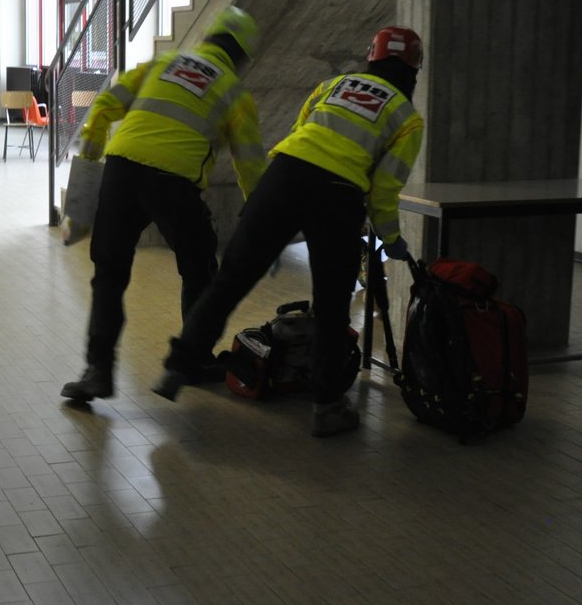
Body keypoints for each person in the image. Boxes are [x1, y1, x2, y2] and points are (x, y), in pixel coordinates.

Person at [153, 26, 427, 437]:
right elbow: (385, 189)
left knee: (231, 279)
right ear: (413, 70)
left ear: (371, 58)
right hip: (339, 195)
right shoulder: (407, 118)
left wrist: (273, 215)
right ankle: (327, 405)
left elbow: (301, 131)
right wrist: (391, 238)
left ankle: (179, 366)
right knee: (333, 305)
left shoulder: (331, 85)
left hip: (283, 177)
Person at [60, 6, 268, 404]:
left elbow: (103, 107)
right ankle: (188, 362)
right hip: (175, 184)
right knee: (200, 269)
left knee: (109, 273)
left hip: (121, 170)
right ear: (240, 55)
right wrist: (262, 217)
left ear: (208, 38)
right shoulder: (233, 92)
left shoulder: (164, 62)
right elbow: (251, 165)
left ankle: (97, 371)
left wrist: (88, 166)